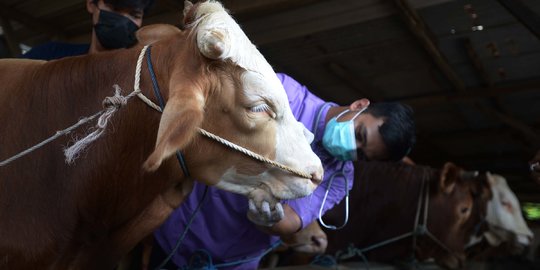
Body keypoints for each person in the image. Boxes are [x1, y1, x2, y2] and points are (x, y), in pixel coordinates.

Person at [148, 73, 416, 269]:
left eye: (362, 155)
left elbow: (291, 222)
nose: (352, 149)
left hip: (230, 262)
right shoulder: (284, 93)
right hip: (181, 227)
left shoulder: (340, 178)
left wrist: (269, 216)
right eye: (359, 134)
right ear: (359, 106)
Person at [21, 0, 153, 60]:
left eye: (134, 15)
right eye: (114, 8)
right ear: (91, 4)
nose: (123, 21)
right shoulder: (48, 55)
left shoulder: (141, 80)